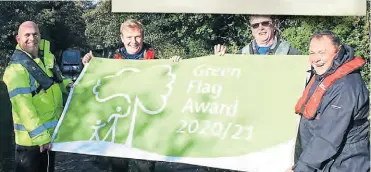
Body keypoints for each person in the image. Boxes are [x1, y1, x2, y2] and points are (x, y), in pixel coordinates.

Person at [82, 19, 183, 172]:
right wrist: (89, 67)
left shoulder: (157, 59)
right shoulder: (109, 60)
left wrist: (177, 66)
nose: (133, 41)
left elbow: (173, 84)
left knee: (144, 169)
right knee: (118, 169)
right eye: (129, 37)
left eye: (137, 37)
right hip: (118, 128)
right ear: (122, 38)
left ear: (143, 37)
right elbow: (94, 88)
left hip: (145, 129)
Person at [288, 30, 370, 172]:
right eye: (312, 52)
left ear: (337, 51)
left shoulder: (346, 87)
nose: (315, 59)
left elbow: (327, 138)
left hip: (344, 164)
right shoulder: (323, 74)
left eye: (322, 52)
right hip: (324, 162)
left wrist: (301, 168)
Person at [2, 21, 73, 172]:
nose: (32, 38)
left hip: (50, 137)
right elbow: (23, 108)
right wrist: (41, 138)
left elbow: (58, 79)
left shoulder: (47, 58)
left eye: (35, 34)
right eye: (27, 35)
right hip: (31, 143)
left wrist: (68, 85)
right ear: (18, 39)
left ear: (40, 36)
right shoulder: (16, 70)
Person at [214, 15, 301, 56]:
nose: (260, 28)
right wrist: (221, 62)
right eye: (255, 25)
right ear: (251, 30)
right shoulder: (240, 55)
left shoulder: (292, 54)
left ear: (274, 25)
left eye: (265, 23)